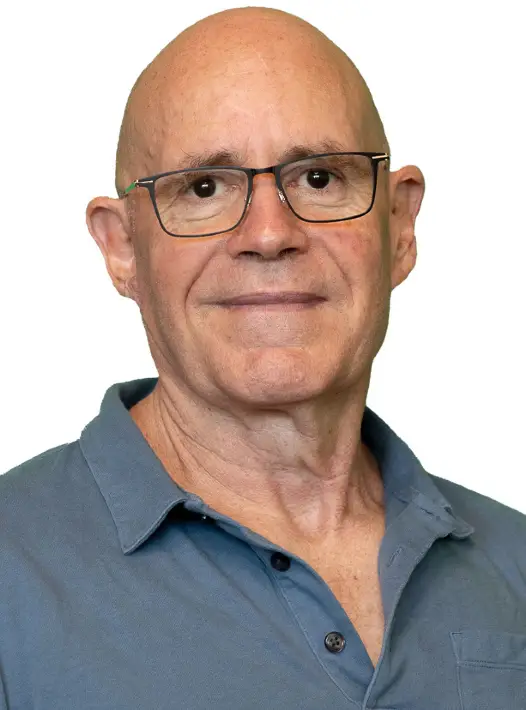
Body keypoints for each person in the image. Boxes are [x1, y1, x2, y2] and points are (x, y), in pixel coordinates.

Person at [1, 6, 525, 709]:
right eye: (204, 188)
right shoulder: (12, 573)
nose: (271, 235)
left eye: (319, 179)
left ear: (398, 227)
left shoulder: (514, 563)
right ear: (122, 248)